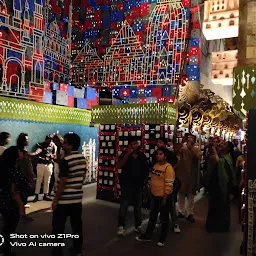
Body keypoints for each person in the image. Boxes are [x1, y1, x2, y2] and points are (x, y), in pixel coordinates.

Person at [51, 133, 87, 256]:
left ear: (70, 145)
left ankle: (57, 251)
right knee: (77, 225)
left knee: (58, 227)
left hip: (64, 201)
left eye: (65, 142)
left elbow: (63, 182)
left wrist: (55, 200)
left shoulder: (66, 160)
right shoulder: (82, 158)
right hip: (77, 199)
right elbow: (82, 177)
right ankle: (77, 249)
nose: (63, 144)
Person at [136, 147, 175, 247]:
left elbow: (169, 184)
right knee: (152, 217)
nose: (158, 155)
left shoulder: (168, 168)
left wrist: (165, 197)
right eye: (157, 154)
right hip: (154, 195)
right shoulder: (156, 165)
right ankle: (148, 235)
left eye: (161, 154)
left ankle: (162, 238)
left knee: (164, 218)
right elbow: (153, 178)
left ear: (165, 156)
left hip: (163, 197)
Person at [0, 146, 30, 256]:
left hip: (3, 201)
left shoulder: (4, 168)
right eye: (19, 152)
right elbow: (14, 191)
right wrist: (21, 206)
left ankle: (4, 248)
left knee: (7, 227)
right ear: (15, 156)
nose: (22, 154)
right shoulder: (13, 170)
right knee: (9, 228)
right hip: (12, 204)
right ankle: (6, 250)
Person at [117, 137, 149, 236]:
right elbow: (119, 165)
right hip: (127, 184)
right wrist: (127, 154)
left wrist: (145, 182)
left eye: (137, 143)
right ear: (129, 145)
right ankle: (121, 225)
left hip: (138, 184)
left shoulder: (141, 155)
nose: (136, 145)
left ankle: (138, 225)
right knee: (124, 205)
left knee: (138, 206)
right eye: (134, 143)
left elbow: (145, 169)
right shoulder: (124, 154)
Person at [152, 137, 181, 233]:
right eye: (157, 142)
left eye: (160, 142)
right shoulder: (155, 155)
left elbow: (177, 162)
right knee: (158, 204)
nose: (158, 144)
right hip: (157, 185)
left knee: (170, 203)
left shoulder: (170, 155)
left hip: (168, 182)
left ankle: (175, 223)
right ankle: (161, 220)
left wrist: (169, 170)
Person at [206, 142, 235, 232]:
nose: (221, 145)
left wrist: (214, 150)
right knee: (214, 205)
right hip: (215, 184)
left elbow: (219, 162)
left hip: (222, 185)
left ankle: (220, 226)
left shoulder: (227, 158)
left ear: (228, 149)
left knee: (221, 206)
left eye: (225, 145)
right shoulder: (221, 156)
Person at [177, 136, 201, 223]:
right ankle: (181, 211)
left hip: (192, 174)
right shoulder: (182, 147)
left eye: (192, 138)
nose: (190, 140)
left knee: (191, 194)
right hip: (182, 174)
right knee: (181, 193)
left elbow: (198, 157)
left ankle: (189, 213)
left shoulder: (196, 148)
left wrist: (191, 149)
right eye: (189, 138)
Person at [31, 135, 57, 202]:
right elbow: (38, 151)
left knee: (47, 181)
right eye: (49, 139)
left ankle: (45, 195)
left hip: (49, 165)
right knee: (39, 180)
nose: (50, 141)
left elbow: (55, 155)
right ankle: (36, 195)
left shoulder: (53, 146)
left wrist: (52, 156)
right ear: (46, 139)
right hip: (41, 165)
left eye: (51, 140)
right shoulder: (41, 145)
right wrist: (34, 154)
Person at [16, 133, 35, 221]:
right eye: (26, 140)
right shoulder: (22, 152)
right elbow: (27, 166)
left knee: (20, 197)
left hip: (20, 177)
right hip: (22, 178)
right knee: (22, 198)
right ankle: (22, 215)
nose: (27, 141)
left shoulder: (20, 150)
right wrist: (31, 177)